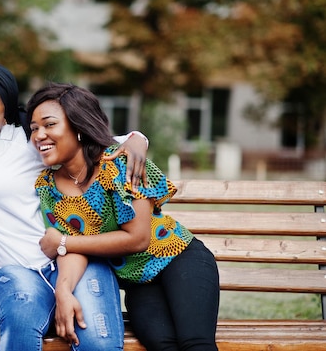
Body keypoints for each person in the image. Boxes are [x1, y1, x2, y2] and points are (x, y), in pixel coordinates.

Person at [0, 61, 149, 351]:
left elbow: (117, 140)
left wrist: (137, 141)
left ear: (5, 116)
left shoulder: (28, 142)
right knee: (20, 331)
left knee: (96, 341)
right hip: (17, 272)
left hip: (73, 258)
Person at [26, 82, 220, 351]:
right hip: (139, 284)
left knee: (195, 344)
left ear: (79, 127)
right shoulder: (48, 187)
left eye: (49, 124)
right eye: (34, 128)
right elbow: (71, 250)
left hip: (179, 259)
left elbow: (137, 238)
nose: (39, 135)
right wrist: (64, 289)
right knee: (162, 345)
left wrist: (63, 242)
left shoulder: (120, 162)